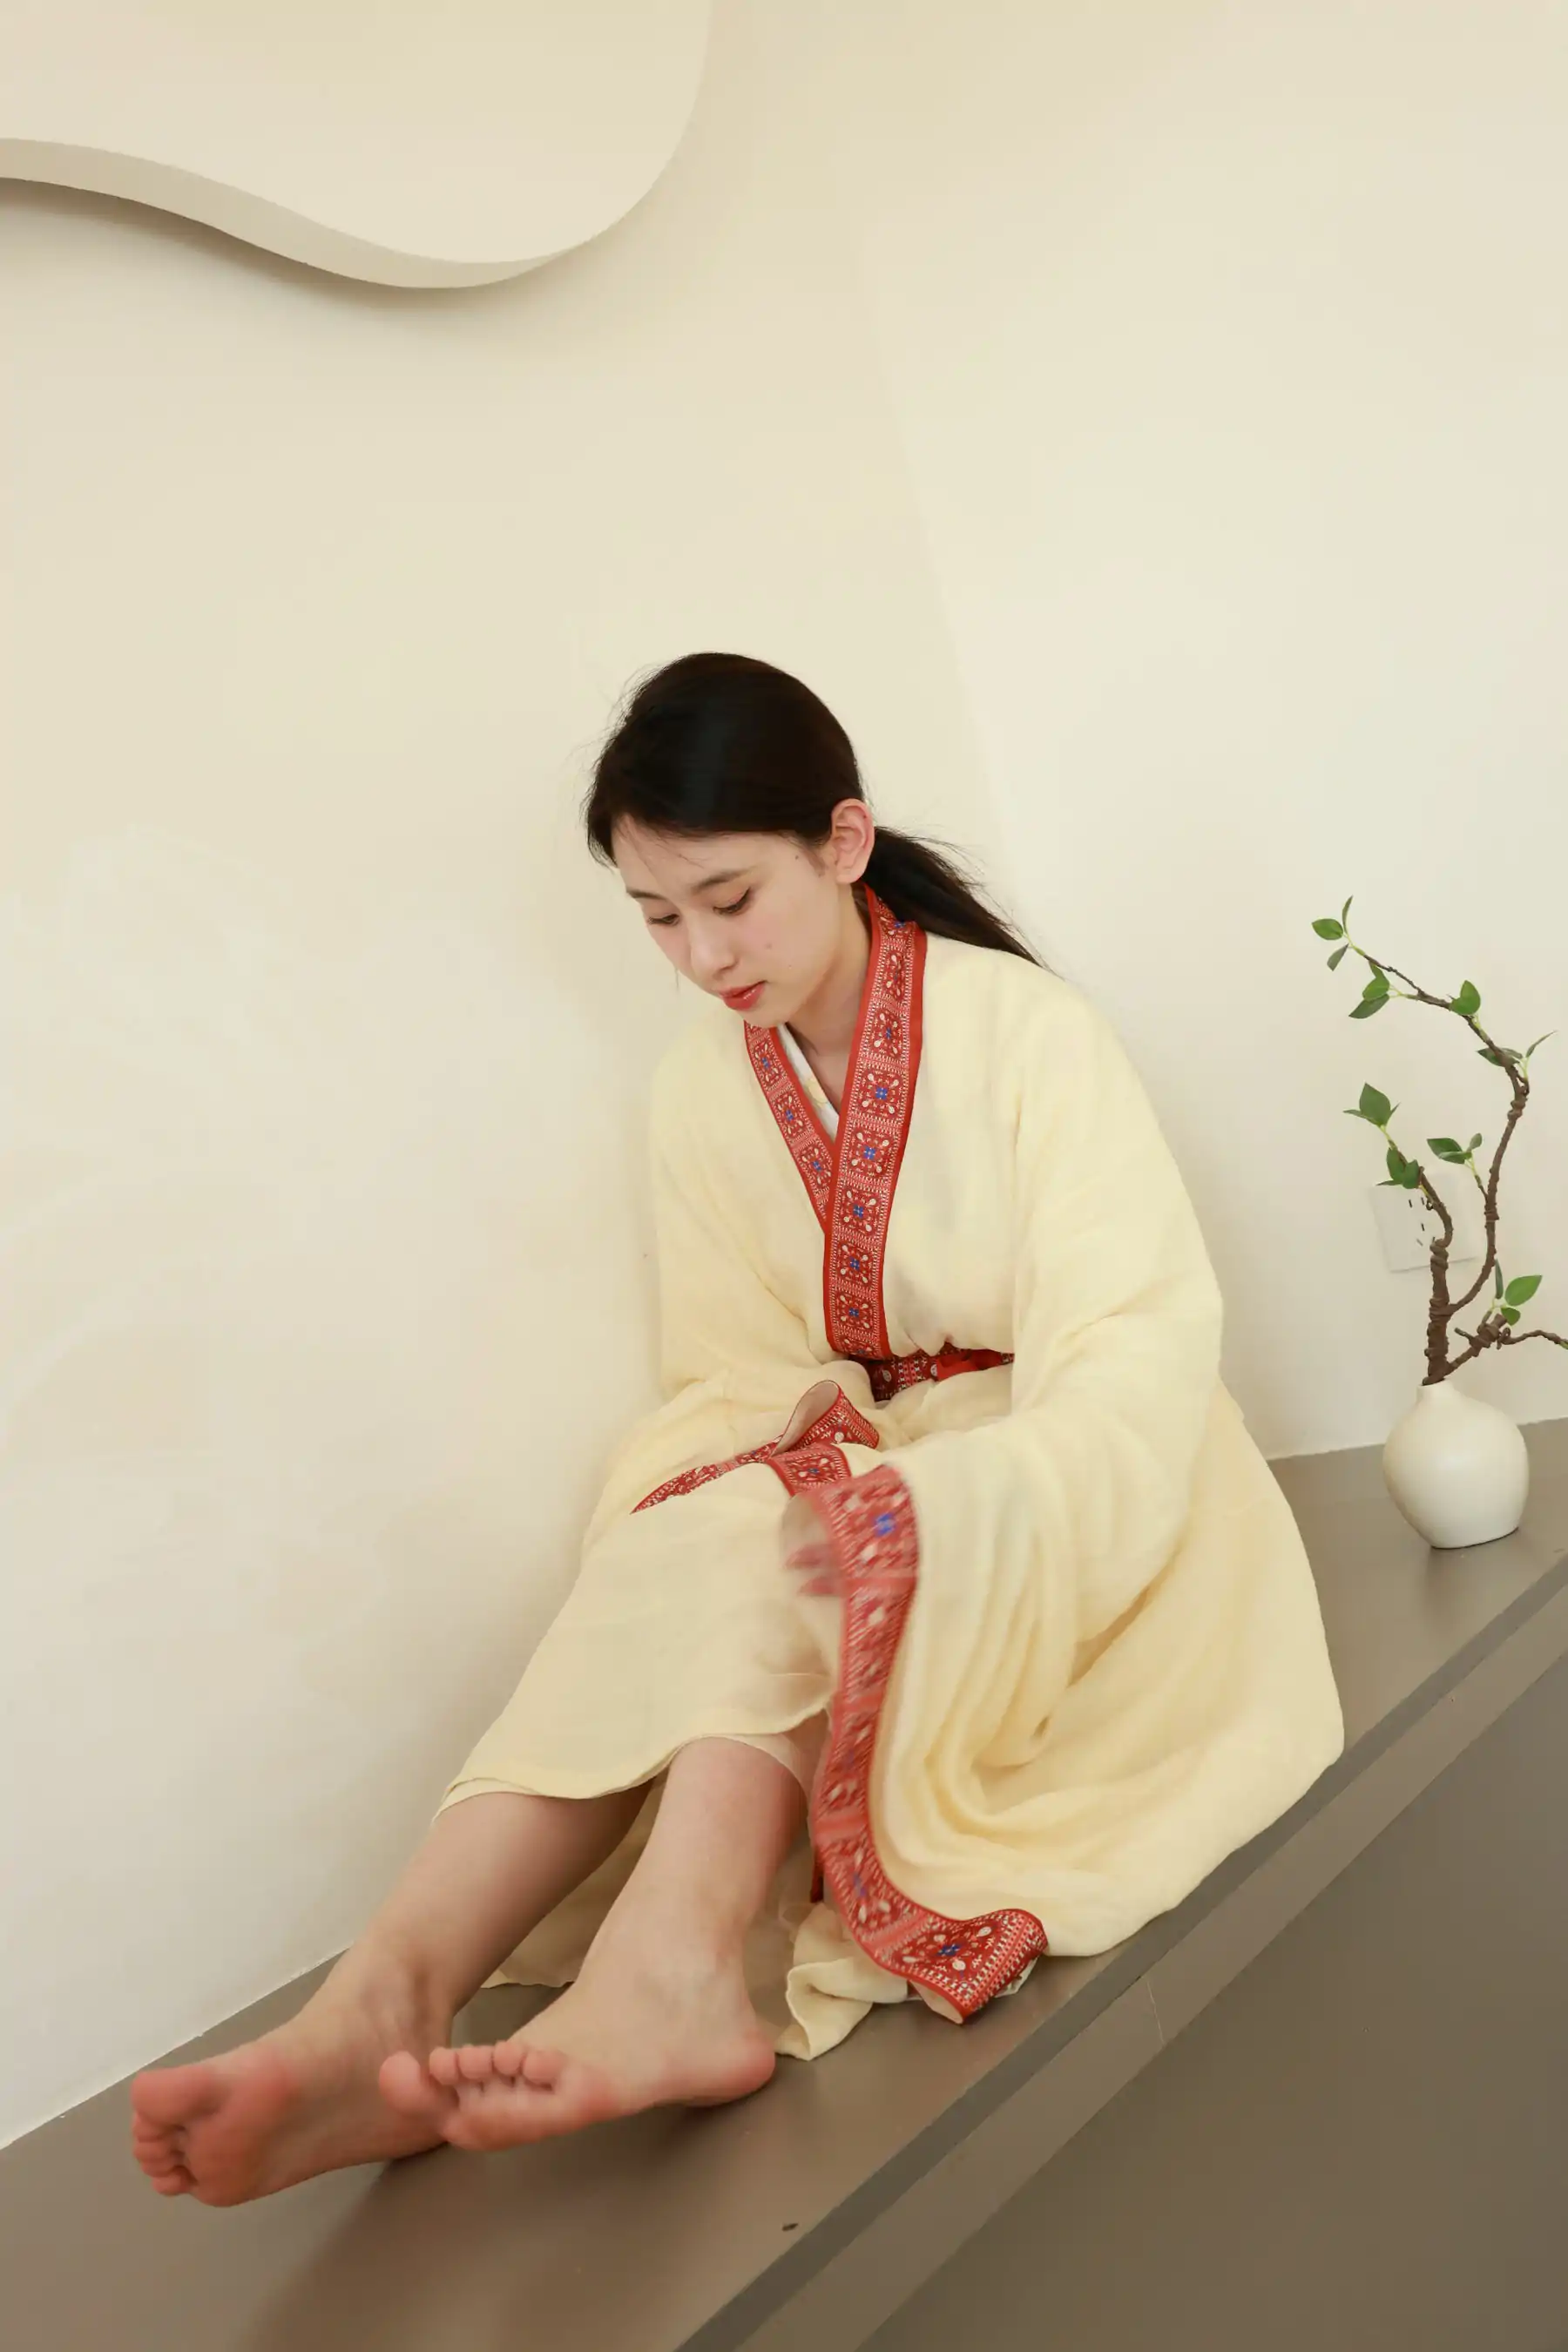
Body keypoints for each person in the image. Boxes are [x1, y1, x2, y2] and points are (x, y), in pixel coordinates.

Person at [131, 652, 1344, 2206]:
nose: (701, 956)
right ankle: (382, 2000)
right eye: (656, 917)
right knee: (709, 1526)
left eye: (728, 898)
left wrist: (935, 1505)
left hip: (1065, 1484)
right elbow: (729, 1380)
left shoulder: (1032, 1033)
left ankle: (671, 1970)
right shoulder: (700, 1092)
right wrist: (805, 1479)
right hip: (854, 1448)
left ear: (844, 841)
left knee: (801, 1544)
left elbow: (1138, 1358)